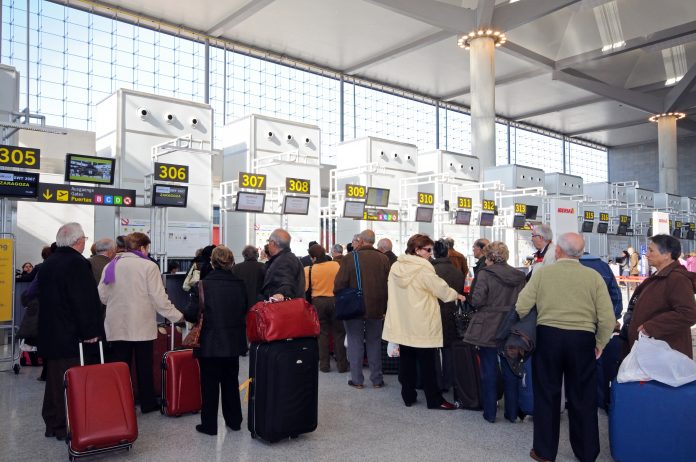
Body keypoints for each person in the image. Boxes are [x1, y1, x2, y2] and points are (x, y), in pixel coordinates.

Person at [516, 233, 615, 462]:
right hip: (582, 340)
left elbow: (522, 306)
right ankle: (587, 453)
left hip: (548, 338)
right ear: (580, 253)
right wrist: (599, 343)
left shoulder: (543, 274)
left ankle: (544, 452)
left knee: (547, 395)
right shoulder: (593, 277)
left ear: (558, 251)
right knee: (583, 397)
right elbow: (607, 318)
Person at [98, 232, 184, 414]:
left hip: (117, 324)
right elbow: (159, 299)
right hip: (141, 324)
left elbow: (103, 296)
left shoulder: (111, 265)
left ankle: (120, 403)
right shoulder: (148, 266)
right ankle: (147, 404)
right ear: (143, 247)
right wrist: (178, 317)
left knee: (120, 367)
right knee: (144, 366)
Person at [382, 234, 465, 409]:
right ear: (417, 250)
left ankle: (408, 395)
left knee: (407, 361)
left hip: (403, 320)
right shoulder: (423, 268)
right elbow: (439, 288)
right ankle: (434, 399)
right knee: (428, 364)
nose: (430, 254)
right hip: (422, 322)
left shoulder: (396, 266)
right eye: (427, 250)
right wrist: (455, 295)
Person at [37, 223, 104, 440]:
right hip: (70, 334)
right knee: (70, 380)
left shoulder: (49, 263)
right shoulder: (77, 263)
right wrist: (90, 331)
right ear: (79, 241)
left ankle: (52, 422)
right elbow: (83, 301)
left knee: (55, 380)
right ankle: (65, 426)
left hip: (50, 332)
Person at [183, 246, 248, 435]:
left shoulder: (202, 285)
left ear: (212, 262)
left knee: (209, 384)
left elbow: (190, 313)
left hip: (209, 342)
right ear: (231, 262)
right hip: (233, 341)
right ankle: (234, 421)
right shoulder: (239, 284)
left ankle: (209, 425)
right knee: (231, 382)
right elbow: (244, 308)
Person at [463, 241, 526, 423]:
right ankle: (512, 413)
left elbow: (477, 300)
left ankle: (490, 413)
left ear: (489, 256)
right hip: (511, 325)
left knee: (489, 369)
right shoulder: (518, 276)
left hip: (488, 325)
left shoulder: (485, 274)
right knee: (511, 368)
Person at [623, 234, 696, 359]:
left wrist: (651, 327)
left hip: (666, 354)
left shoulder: (677, 279)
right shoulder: (659, 277)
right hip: (653, 350)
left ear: (667, 254)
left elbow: (688, 313)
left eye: (651, 250)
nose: (646, 254)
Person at [334, 229, 390, 389]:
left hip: (354, 307)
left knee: (354, 341)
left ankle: (357, 380)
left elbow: (339, 284)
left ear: (360, 240)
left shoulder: (350, 258)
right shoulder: (383, 258)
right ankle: (377, 379)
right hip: (377, 307)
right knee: (374, 342)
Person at [305, 244, 346, 373]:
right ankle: (342, 365)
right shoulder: (335, 265)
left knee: (322, 334)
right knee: (339, 333)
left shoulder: (309, 269)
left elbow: (305, 288)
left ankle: (324, 365)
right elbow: (341, 282)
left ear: (313, 257)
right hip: (335, 300)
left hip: (318, 302)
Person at [431, 239, 465, 392]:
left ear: (434, 253)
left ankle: (436, 381)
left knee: (432, 349)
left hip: (432, 313)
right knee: (449, 349)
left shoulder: (430, 271)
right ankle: (448, 381)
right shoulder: (457, 272)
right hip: (451, 313)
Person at [262, 228, 305, 300]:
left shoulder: (284, 261)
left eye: (268, 242)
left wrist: (280, 293)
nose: (268, 244)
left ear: (273, 243)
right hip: (292, 306)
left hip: (282, 308)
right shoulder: (289, 258)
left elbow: (287, 282)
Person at [232, 245, 266, 309]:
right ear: (257, 255)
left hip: (240, 304)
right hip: (258, 305)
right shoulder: (263, 267)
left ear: (244, 255)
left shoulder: (235, 268)